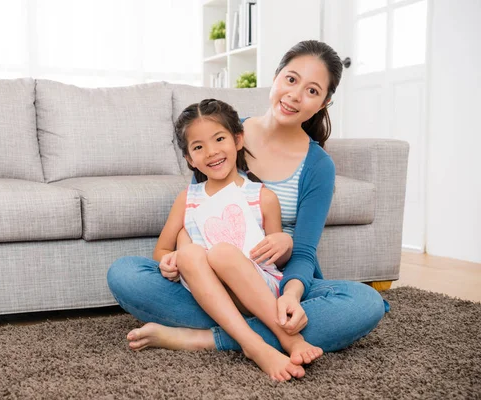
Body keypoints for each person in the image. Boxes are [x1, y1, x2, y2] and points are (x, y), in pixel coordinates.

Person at [107, 40, 386, 378]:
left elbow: (304, 253)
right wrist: (177, 254)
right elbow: (194, 214)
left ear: (324, 102)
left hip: (274, 281)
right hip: (206, 281)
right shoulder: (223, 130)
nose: (296, 95)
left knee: (366, 302)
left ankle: (204, 338)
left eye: (312, 90)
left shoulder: (317, 166)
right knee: (124, 274)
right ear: (276, 76)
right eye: (291, 79)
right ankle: (267, 333)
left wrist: (292, 292)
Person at [155, 98, 322, 380]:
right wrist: (166, 262)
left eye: (219, 139)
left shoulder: (262, 196)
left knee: (221, 252)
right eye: (198, 147)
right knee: (187, 254)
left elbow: (276, 261)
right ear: (189, 158)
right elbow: (161, 249)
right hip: (207, 291)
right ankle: (255, 345)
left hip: (257, 289)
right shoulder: (188, 198)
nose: (211, 152)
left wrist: (283, 243)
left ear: (238, 140)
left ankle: (283, 336)